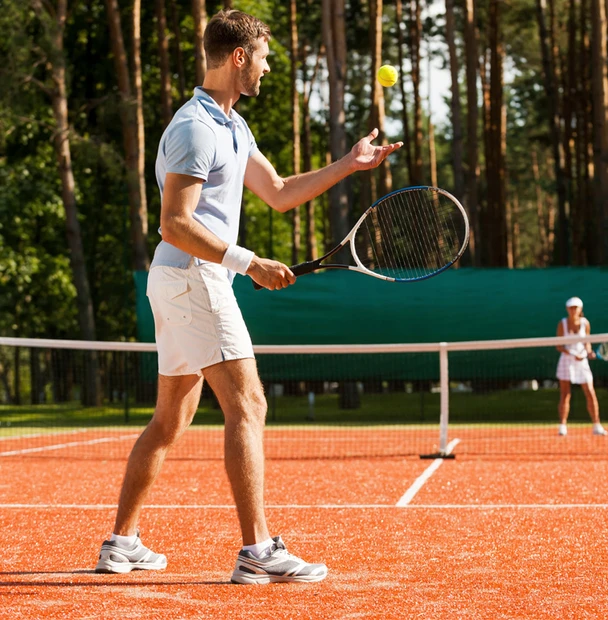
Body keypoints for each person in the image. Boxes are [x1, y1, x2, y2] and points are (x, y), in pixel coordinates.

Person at [95, 9, 402, 583]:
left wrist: (350, 164)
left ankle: (121, 542)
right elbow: (174, 222)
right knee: (249, 404)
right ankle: (257, 550)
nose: (266, 67)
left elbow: (281, 192)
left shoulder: (233, 127)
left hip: (185, 278)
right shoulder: (195, 128)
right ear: (239, 57)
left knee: (170, 418)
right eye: (262, 57)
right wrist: (249, 263)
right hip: (194, 274)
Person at [555, 297, 607, 437]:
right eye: (571, 307)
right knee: (565, 394)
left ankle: (597, 425)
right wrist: (573, 354)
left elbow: (587, 343)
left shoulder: (585, 324)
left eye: (576, 307)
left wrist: (588, 352)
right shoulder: (563, 324)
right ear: (567, 309)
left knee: (590, 392)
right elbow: (559, 346)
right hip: (566, 361)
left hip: (582, 362)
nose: (573, 310)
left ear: (580, 309)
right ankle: (562, 426)